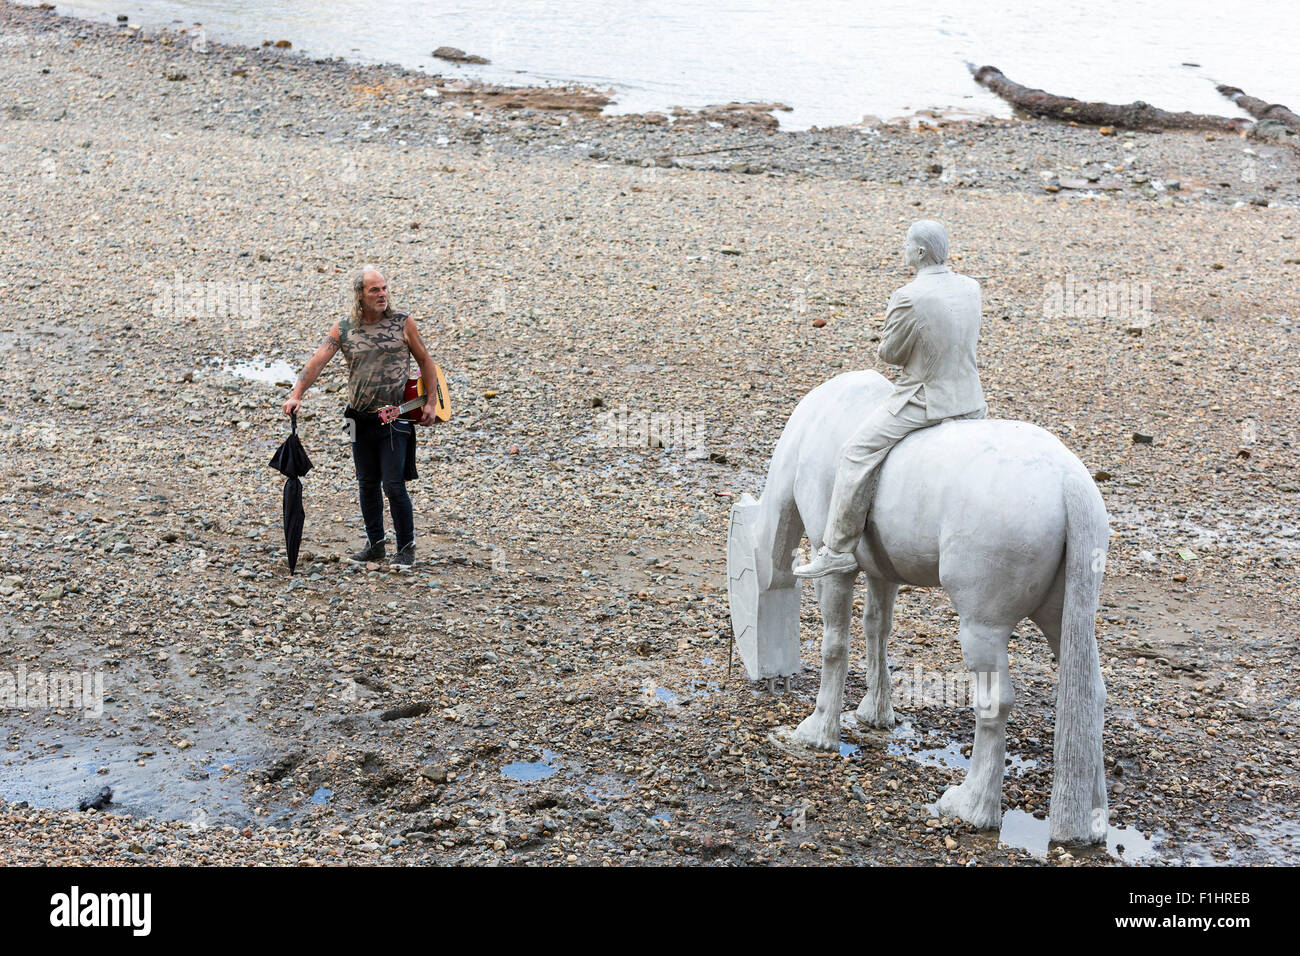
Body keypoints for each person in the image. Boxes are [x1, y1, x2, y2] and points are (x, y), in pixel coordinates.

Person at [794, 220, 987, 578]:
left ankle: (836, 548)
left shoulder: (908, 296)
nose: (903, 249)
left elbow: (891, 354)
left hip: (925, 400)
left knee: (856, 453)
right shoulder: (971, 287)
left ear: (919, 252)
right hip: (972, 398)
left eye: (906, 244)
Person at [282, 265, 438, 568]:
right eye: (374, 290)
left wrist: (430, 402)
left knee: (393, 484)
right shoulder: (343, 329)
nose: (382, 295)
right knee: (366, 483)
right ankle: (376, 544)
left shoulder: (402, 323)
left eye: (384, 288)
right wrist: (296, 394)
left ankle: (406, 547)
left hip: (397, 416)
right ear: (360, 295)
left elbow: (425, 360)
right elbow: (316, 363)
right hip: (357, 418)